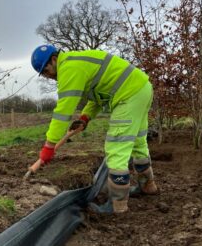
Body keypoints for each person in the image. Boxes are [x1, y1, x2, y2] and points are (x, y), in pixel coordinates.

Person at [31, 44, 158, 214]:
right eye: (43, 75)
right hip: (141, 89)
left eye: (46, 71)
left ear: (54, 59)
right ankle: (148, 185)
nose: (48, 76)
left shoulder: (69, 68)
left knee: (116, 147)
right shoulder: (77, 63)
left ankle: (117, 204)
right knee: (138, 142)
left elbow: (63, 112)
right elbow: (98, 96)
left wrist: (49, 145)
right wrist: (85, 117)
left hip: (128, 94)